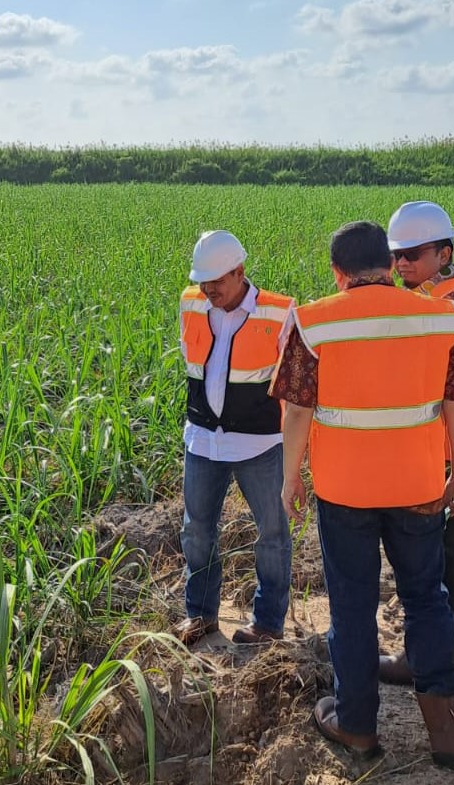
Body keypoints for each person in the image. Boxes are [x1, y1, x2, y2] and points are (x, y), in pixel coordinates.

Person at [273, 221, 454, 766]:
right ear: (391, 265)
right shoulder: (440, 318)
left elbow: (297, 410)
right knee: (426, 597)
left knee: (351, 606)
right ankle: (446, 731)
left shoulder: (314, 322)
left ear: (337, 273)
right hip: (418, 486)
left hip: (345, 492)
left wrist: (290, 477)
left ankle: (357, 728)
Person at [379, 201, 454, 685]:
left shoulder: (448, 305)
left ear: (444, 251)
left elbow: (442, 388)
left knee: (431, 559)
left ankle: (429, 658)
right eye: (396, 254)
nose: (401, 263)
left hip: (448, 450)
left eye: (413, 253)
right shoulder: (452, 293)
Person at [172, 230, 293, 646]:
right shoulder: (191, 302)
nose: (209, 292)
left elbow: (294, 386)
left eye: (217, 283)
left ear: (239, 272)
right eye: (203, 283)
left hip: (259, 445)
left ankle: (268, 623)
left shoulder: (280, 312)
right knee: (197, 531)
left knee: (272, 534)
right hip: (203, 441)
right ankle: (201, 615)